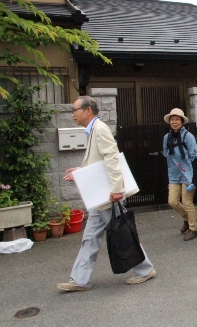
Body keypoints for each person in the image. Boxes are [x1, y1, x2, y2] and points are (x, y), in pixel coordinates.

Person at [58, 96, 156, 292]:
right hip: (101, 199)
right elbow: (99, 163)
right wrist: (79, 172)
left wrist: (117, 189)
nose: (73, 114)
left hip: (107, 197)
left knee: (124, 233)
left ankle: (145, 269)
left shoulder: (100, 129)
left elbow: (112, 158)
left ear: (88, 111)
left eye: (75, 109)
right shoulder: (93, 130)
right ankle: (80, 279)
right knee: (90, 238)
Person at [163, 108, 197, 241]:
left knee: (187, 201)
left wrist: (195, 180)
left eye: (177, 119)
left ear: (182, 121)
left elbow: (195, 158)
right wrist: (168, 178)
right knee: (172, 201)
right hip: (174, 174)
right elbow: (167, 157)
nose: (174, 122)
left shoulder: (188, 137)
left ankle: (193, 228)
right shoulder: (166, 137)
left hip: (188, 174)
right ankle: (187, 218)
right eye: (172, 119)